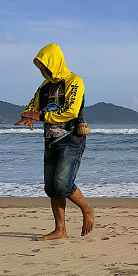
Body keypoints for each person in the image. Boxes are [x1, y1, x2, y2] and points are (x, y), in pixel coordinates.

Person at [15, 43, 95, 240]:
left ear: (55, 62)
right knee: (51, 188)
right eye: (42, 67)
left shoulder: (74, 81)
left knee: (62, 184)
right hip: (50, 140)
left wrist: (40, 117)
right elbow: (32, 106)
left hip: (71, 139)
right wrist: (27, 116)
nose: (44, 71)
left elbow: (71, 111)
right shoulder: (44, 86)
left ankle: (86, 209)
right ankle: (60, 230)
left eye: (46, 66)